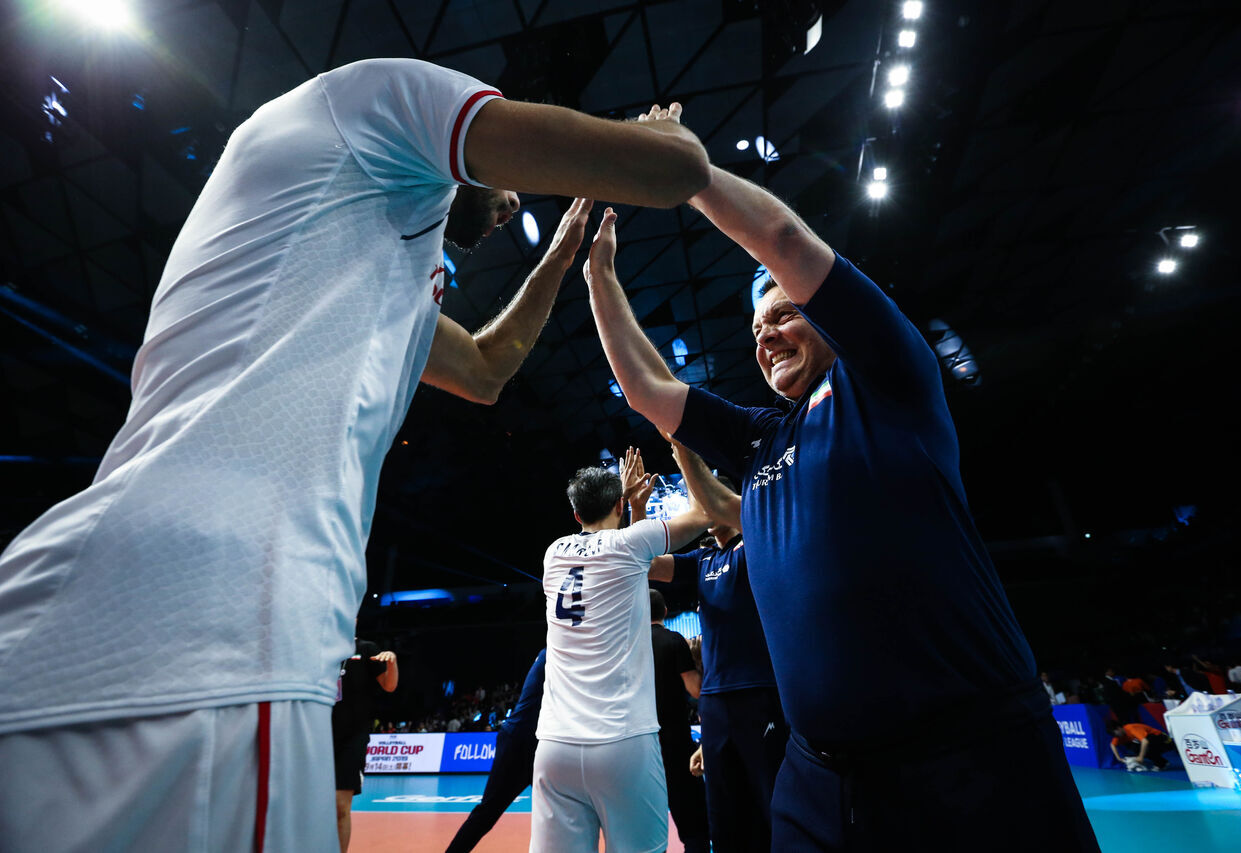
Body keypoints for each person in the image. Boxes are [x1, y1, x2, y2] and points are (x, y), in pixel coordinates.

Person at [0, 59, 709, 851]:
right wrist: (662, 137)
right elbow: (674, 169)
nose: (512, 206)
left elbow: (484, 367)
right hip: (218, 630)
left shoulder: (362, 251)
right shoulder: (379, 97)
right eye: (508, 187)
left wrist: (570, 235)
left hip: (142, 608)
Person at [580, 103, 1099, 851]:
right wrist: (600, 275)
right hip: (818, 777)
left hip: (969, 758)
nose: (766, 337)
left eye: (782, 316)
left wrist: (681, 171)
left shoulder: (885, 381)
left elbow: (783, 238)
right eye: (756, 333)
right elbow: (646, 392)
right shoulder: (761, 438)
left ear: (828, 320)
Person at [533, 466, 707, 853]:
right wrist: (684, 450)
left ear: (576, 514)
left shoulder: (553, 555)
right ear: (618, 503)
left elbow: (624, 569)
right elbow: (704, 515)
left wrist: (631, 511)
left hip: (554, 747)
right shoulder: (630, 543)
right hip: (622, 742)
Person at [651, 442, 786, 853]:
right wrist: (634, 515)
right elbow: (647, 564)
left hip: (759, 696)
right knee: (724, 822)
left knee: (773, 814)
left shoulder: (758, 540)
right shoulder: (704, 560)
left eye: (705, 498)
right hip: (715, 706)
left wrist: (683, 453)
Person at [445, 648, 547, 853]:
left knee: (556, 817)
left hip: (544, 743)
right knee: (487, 814)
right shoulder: (556, 652)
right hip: (519, 741)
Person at [649, 589, 711, 853]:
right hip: (675, 743)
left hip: (639, 744)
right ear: (665, 612)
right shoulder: (675, 641)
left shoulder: (627, 643)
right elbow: (696, 690)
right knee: (693, 823)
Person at [333, 638, 398, 853]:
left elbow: (390, 685)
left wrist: (392, 662)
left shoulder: (366, 649)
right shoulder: (319, 648)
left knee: (341, 807)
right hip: (318, 734)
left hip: (352, 736)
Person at [1107, 721, 1175, 771]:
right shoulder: (1119, 736)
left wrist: (1140, 757)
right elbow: (1112, 745)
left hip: (1164, 740)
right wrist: (1118, 758)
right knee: (1134, 747)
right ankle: (1162, 763)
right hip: (1153, 743)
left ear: (1118, 728)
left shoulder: (1131, 728)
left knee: (1144, 745)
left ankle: (1161, 763)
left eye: (1115, 734)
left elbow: (1145, 742)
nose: (1116, 736)